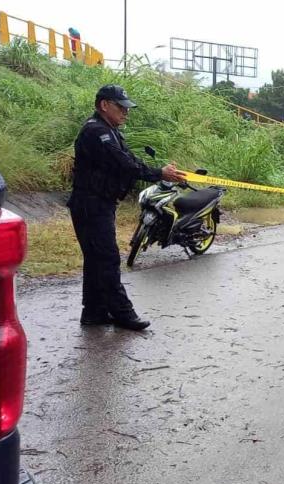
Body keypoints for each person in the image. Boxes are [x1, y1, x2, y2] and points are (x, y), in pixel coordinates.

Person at [68, 84, 186, 331]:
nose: (126, 112)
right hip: (91, 205)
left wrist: (162, 173)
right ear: (104, 105)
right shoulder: (96, 132)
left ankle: (94, 312)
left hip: (100, 203)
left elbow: (130, 158)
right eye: (121, 107)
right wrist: (158, 173)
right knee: (108, 259)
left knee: (95, 260)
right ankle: (123, 313)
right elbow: (123, 164)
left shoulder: (109, 131)